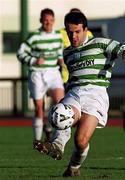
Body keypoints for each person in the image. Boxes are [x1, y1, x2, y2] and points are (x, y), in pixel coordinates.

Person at [37, 11, 125, 177]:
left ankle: (73, 167)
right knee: (61, 113)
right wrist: (65, 97)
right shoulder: (67, 53)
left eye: (77, 31)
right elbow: (72, 78)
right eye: (70, 32)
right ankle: (56, 145)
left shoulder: (100, 43)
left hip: (96, 94)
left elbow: (122, 50)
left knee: (81, 141)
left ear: (85, 29)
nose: (73, 36)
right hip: (75, 92)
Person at [17, 8, 65, 149]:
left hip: (53, 73)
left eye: (50, 20)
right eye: (45, 20)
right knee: (39, 108)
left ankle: (52, 133)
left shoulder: (58, 36)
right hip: (37, 74)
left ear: (54, 21)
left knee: (60, 103)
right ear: (41, 21)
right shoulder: (34, 37)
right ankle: (37, 140)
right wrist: (33, 60)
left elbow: (59, 55)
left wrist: (61, 62)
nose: (48, 23)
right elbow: (20, 53)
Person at [60, 8, 93, 84]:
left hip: (83, 75)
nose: (73, 36)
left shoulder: (88, 33)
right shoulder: (60, 33)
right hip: (65, 76)